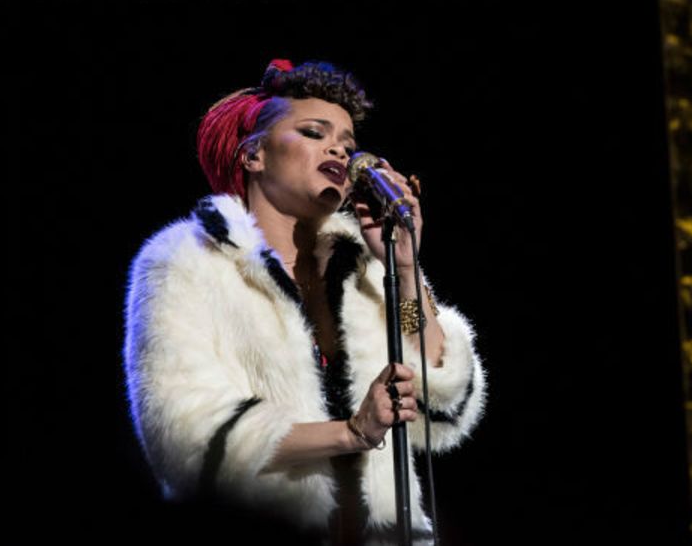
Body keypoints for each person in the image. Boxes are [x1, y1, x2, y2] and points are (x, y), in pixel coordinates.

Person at [123, 58, 488, 545]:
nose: (339, 149)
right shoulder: (189, 261)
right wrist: (351, 432)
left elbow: (444, 404)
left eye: (348, 145)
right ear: (253, 155)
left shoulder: (365, 270)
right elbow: (186, 438)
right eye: (315, 133)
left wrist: (404, 269)